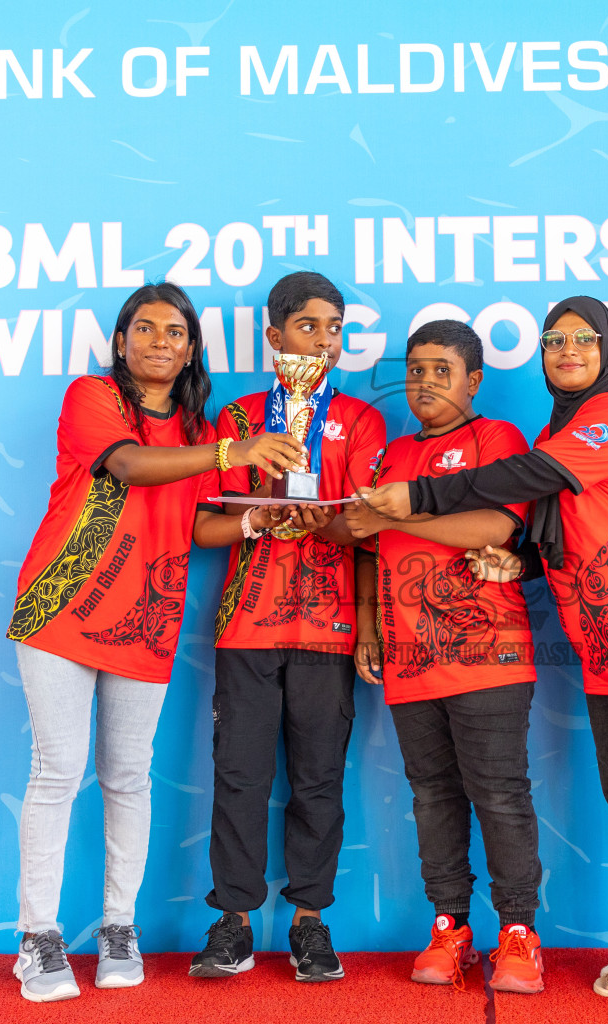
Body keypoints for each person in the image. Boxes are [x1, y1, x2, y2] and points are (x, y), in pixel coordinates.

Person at [357, 297, 608, 1020]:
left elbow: (519, 479)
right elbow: (576, 529)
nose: (567, 349)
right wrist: (523, 570)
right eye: (554, 340)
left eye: (582, 339)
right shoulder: (565, 426)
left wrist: (415, 496)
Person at [4, 283, 303, 1002]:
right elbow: (130, 466)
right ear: (121, 341)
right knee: (57, 770)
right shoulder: (93, 398)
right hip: (61, 611)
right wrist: (231, 449)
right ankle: (37, 937)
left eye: (175, 331)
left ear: (192, 348)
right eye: (146, 328)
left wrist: (257, 525)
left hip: (146, 620)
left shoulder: (198, 430)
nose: (160, 340)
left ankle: (118, 927)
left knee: (128, 777)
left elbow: (193, 526)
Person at [188, 271, 386, 984]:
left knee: (319, 780)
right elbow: (201, 525)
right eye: (309, 327)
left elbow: (369, 528)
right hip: (246, 626)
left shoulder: (361, 421)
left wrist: (330, 534)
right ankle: (233, 922)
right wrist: (254, 520)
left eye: (335, 328)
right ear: (274, 337)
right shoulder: (237, 420)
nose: (325, 340)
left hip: (328, 631)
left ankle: (310, 923)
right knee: (239, 776)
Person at [341, 320, 545, 994]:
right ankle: (449, 926)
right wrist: (369, 626)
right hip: (408, 656)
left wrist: (393, 517)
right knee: (432, 796)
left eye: (443, 371)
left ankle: (518, 933)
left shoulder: (497, 441)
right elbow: (364, 547)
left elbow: (494, 526)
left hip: (489, 652)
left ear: (474, 381)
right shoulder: (391, 456)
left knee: (499, 793)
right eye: (418, 370)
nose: (426, 383)